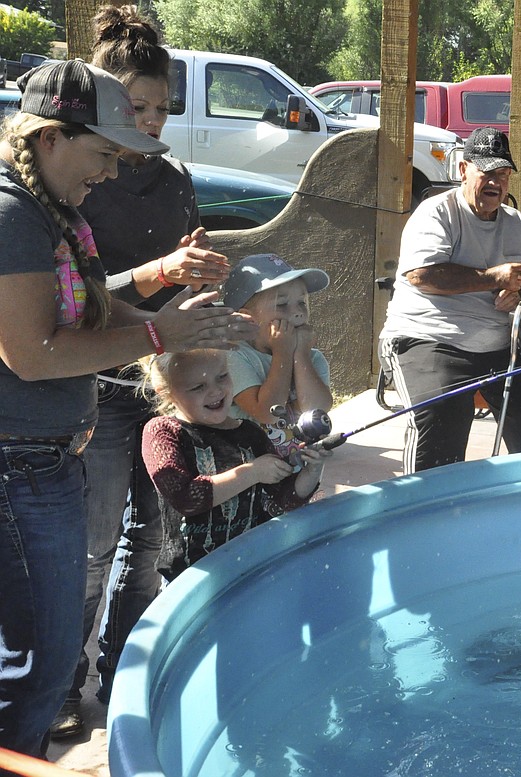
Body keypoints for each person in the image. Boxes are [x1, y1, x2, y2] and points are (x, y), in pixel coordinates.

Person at [0, 58, 253, 760]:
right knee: (36, 666)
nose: (111, 171)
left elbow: (78, 300)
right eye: (105, 151)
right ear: (51, 137)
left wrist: (162, 291)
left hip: (39, 459)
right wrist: (157, 332)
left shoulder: (47, 210)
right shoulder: (13, 215)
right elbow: (33, 351)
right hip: (16, 469)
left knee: (39, 663)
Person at [51, 5, 235, 739]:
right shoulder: (83, 184)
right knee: (93, 543)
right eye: (137, 108)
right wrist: (159, 274)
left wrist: (202, 280)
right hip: (100, 385)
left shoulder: (173, 177)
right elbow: (83, 304)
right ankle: (64, 680)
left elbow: (176, 277)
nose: (152, 122)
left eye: (162, 108)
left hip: (165, 384)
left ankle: (124, 667)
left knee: (150, 537)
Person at [378, 127, 521, 472]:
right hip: (429, 339)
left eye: (503, 174)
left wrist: (520, 292)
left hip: (499, 346)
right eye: (487, 173)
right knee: (441, 414)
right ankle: (422, 512)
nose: (495, 182)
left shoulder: (517, 224)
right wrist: (494, 278)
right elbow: (422, 275)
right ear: (463, 170)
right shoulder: (436, 213)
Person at [140, 349, 329, 581]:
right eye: (198, 387)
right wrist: (252, 472)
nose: (215, 391)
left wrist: (311, 469)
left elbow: (283, 501)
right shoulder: (163, 431)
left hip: (249, 566)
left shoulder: (250, 433)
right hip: (190, 576)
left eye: (222, 377)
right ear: (166, 393)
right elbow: (186, 498)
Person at [222, 253, 333, 461]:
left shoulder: (312, 358)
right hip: (249, 466)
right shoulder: (234, 357)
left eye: (302, 303)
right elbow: (267, 413)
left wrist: (300, 354)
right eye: (282, 305)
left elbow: (316, 409)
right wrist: (282, 353)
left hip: (296, 465)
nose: (298, 313)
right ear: (247, 318)